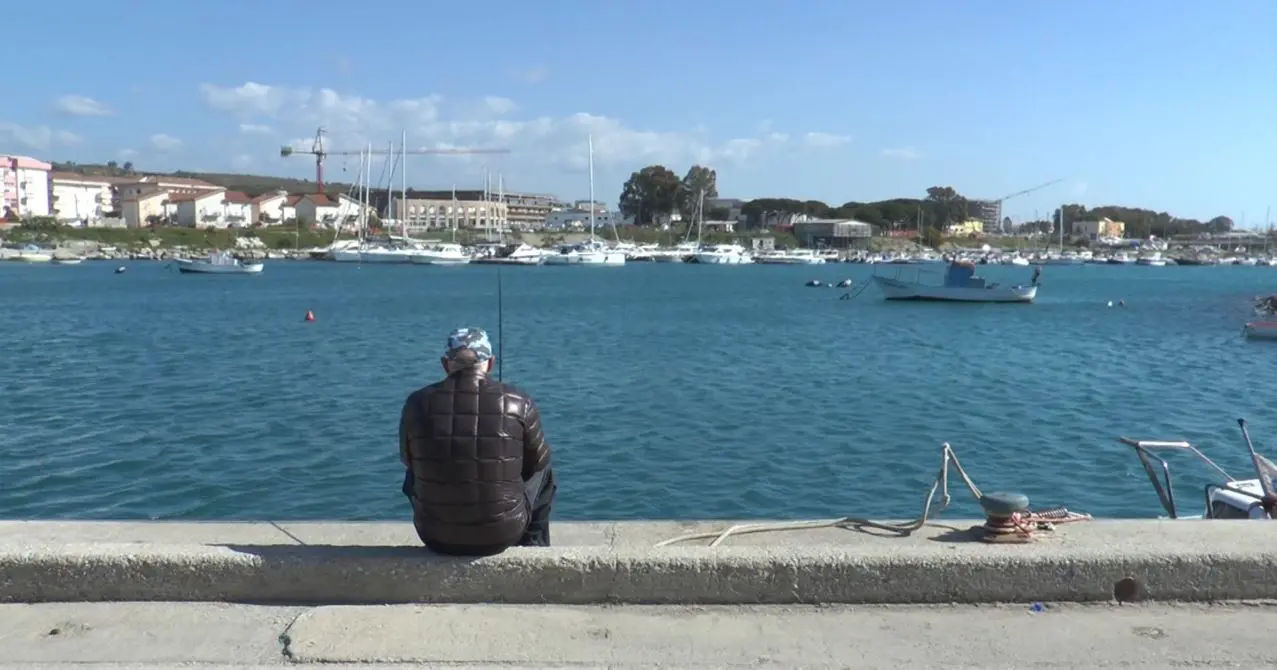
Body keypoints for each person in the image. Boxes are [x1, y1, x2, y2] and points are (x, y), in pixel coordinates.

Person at [399, 327, 556, 555]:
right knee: (545, 472)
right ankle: (533, 549)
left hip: (434, 535)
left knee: (413, 473)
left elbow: (408, 461)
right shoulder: (518, 402)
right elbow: (536, 464)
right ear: (490, 363)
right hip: (503, 534)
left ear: (446, 364)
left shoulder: (416, 404)